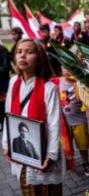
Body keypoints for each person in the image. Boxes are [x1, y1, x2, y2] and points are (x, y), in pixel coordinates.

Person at [2, 39, 62, 196]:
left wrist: (51, 155)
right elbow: (8, 115)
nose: (22, 56)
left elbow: (55, 124)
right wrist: (7, 144)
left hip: (43, 152)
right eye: (19, 52)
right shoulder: (13, 82)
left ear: (39, 59)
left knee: (47, 190)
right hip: (21, 153)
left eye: (29, 52)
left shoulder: (49, 88)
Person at [50, 67, 89, 177]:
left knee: (83, 145)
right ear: (60, 68)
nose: (67, 70)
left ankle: (86, 163)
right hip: (64, 123)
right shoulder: (56, 81)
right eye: (64, 67)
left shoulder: (80, 83)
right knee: (66, 145)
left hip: (79, 121)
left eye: (70, 68)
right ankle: (69, 162)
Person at [0, 44, 10, 131]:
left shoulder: (3, 50)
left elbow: (6, 67)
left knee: (3, 106)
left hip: (2, 85)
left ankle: (5, 125)